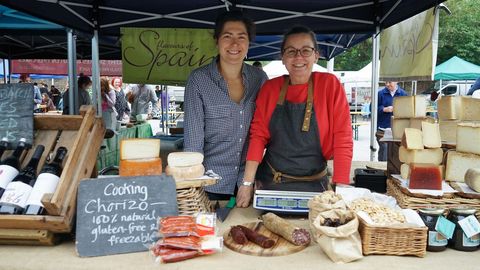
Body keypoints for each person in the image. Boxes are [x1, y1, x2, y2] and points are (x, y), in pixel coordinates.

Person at [237, 25, 353, 207]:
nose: (298, 57)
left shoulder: (330, 85)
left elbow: (343, 137)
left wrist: (342, 186)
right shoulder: (270, 88)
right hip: (273, 183)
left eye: (306, 50)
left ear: (316, 55)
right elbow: (258, 136)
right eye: (291, 51)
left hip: (317, 186)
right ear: (282, 57)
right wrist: (246, 184)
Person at [184, 10, 268, 200]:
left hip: (251, 183)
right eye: (227, 36)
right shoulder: (199, 80)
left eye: (241, 37)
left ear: (248, 42)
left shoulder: (260, 79)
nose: (235, 44)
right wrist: (194, 189)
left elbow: (265, 132)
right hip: (210, 185)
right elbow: (193, 144)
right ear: (216, 41)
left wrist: (249, 182)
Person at [376, 81, 407, 161]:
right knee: (385, 148)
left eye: (389, 82)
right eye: (386, 82)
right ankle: (382, 168)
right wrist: (383, 109)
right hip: (382, 128)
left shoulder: (403, 94)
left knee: (396, 150)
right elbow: (371, 108)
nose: (387, 84)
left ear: (396, 81)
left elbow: (408, 110)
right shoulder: (380, 94)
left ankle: (393, 170)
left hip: (398, 129)